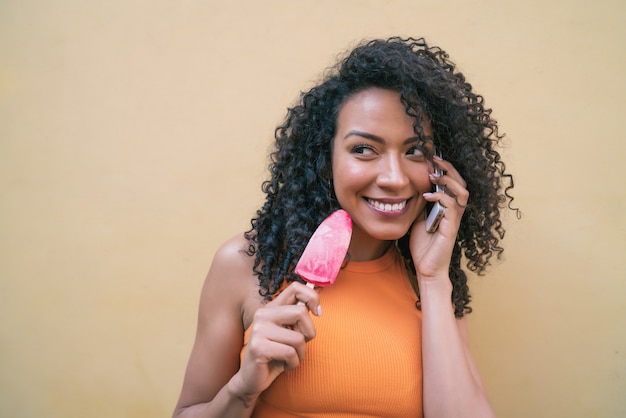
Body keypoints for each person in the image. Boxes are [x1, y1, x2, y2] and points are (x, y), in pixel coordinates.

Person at [173, 36, 518, 418]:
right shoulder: (246, 265)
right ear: (326, 159)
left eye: (414, 150)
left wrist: (434, 278)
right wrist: (242, 390)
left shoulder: (433, 284)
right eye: (363, 149)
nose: (393, 178)